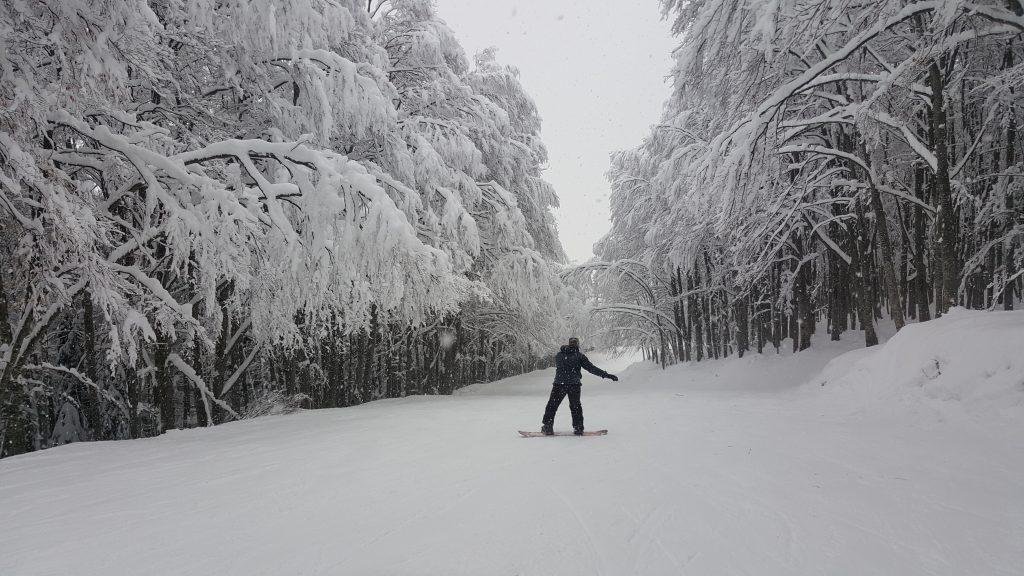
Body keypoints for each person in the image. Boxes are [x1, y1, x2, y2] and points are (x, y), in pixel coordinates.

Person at [541, 337, 618, 435]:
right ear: (577, 344)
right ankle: (578, 428)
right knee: (575, 407)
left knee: (552, 405)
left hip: (559, 384)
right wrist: (606, 375)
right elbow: (591, 368)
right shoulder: (579, 356)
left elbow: (565, 364)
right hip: (574, 385)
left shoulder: (559, 355)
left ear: (569, 343)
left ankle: (547, 427)